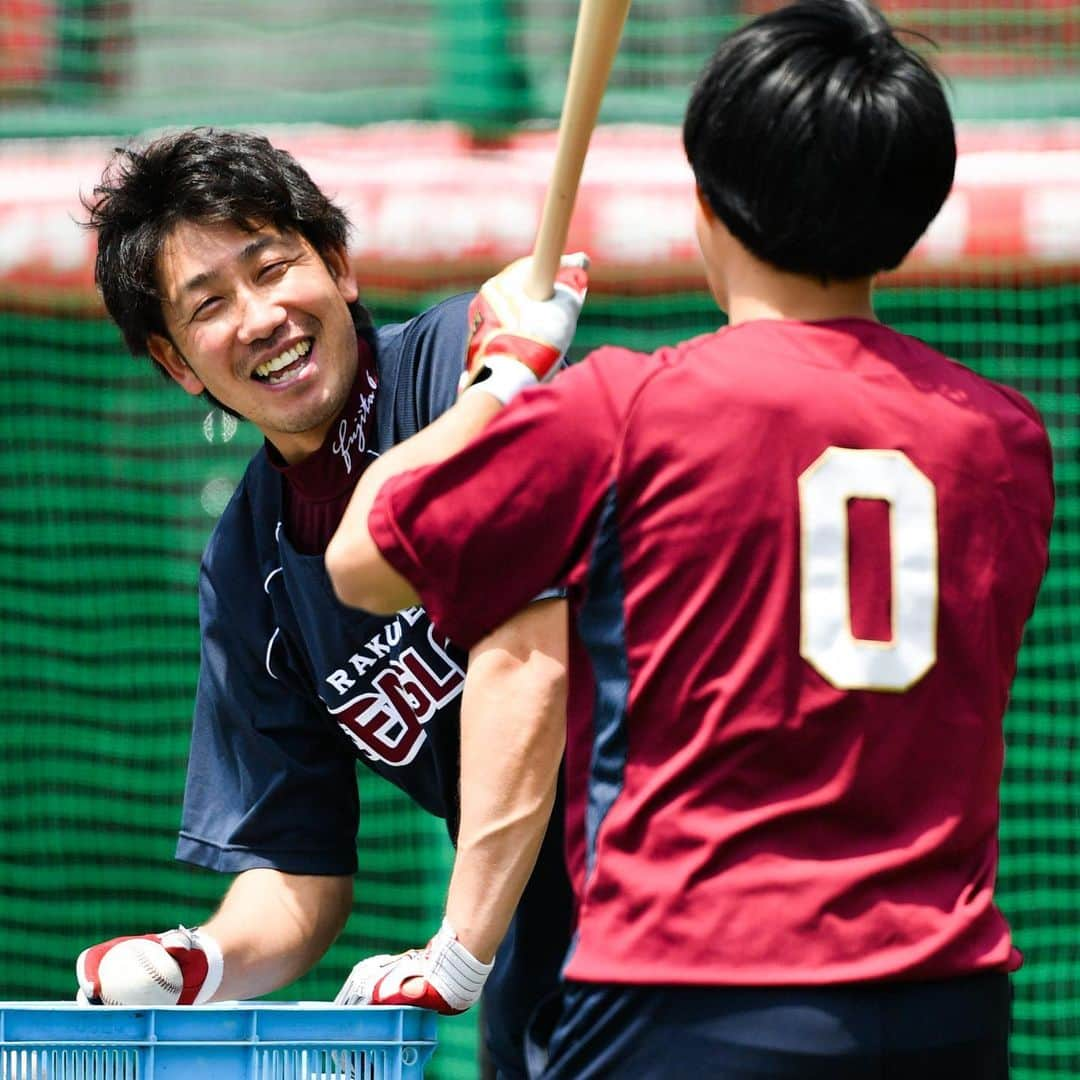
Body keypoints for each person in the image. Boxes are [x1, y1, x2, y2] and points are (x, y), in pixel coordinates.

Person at [322, 1, 1055, 1076]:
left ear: (705, 205)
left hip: (687, 997)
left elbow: (362, 563)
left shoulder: (623, 411)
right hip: (945, 1002)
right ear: (913, 210)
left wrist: (502, 379)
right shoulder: (1004, 441)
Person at [71, 127, 585, 1080]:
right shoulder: (244, 568)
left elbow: (534, 660)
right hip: (537, 935)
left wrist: (458, 945)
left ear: (339, 265)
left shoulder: (469, 365)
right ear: (179, 363)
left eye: (273, 268)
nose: (260, 317)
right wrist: (202, 961)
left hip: (692, 868)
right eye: (210, 304)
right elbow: (299, 876)